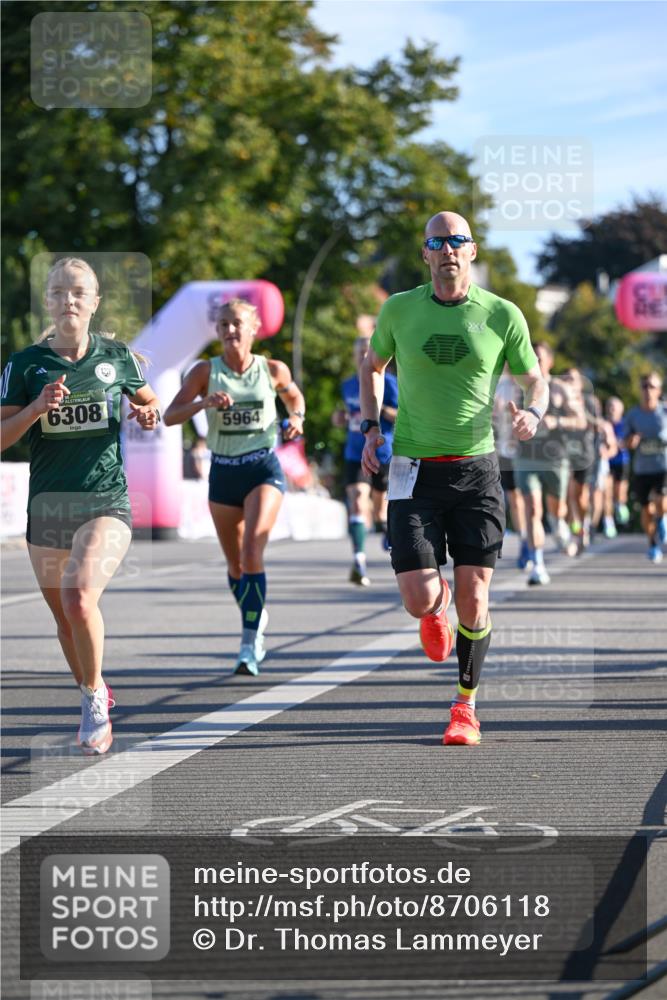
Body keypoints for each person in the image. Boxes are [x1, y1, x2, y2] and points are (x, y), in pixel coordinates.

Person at [360, 211, 548, 747]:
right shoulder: (399, 309)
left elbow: (535, 379)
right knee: (419, 598)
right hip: (412, 468)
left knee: (477, 594)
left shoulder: (502, 314)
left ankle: (465, 706)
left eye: (457, 241)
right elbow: (371, 365)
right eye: (437, 242)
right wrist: (372, 428)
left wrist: (533, 413)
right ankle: (434, 606)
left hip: (477, 468)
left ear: (472, 251)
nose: (447, 250)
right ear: (425, 254)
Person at [0, 257, 160, 755]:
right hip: (48, 506)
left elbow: (150, 404)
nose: (67, 299)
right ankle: (95, 687)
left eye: (77, 292)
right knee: (65, 620)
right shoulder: (24, 365)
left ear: (94, 302)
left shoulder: (118, 358)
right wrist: (35, 408)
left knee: (78, 597)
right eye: (58, 292)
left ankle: (93, 704)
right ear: (47, 302)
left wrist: (149, 413)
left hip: (104, 500)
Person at [163, 298, 305, 674]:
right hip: (223, 472)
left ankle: (248, 640)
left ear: (254, 328)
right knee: (236, 564)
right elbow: (170, 416)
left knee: (252, 547)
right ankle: (256, 614)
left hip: (262, 468)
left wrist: (297, 419)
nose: (229, 331)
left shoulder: (272, 369)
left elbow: (294, 397)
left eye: (236, 324)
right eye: (223, 324)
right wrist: (203, 403)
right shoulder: (204, 372)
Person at [513, 344, 582, 584]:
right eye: (531, 357)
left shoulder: (560, 388)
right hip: (526, 456)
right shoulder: (518, 387)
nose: (535, 362)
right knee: (532, 509)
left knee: (556, 510)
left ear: (550, 362)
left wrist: (556, 421)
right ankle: (538, 563)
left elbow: (580, 420)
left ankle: (559, 524)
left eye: (539, 358)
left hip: (554, 457)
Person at [332, 333, 398, 585]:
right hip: (355, 453)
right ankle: (358, 560)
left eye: (366, 350)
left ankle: (384, 524)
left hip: (384, 452)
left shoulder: (390, 382)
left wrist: (378, 409)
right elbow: (346, 415)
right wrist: (338, 418)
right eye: (358, 351)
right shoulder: (348, 384)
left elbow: (402, 416)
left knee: (380, 510)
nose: (362, 355)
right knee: (358, 500)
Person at [624, 371, 667, 564]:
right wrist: (631, 441)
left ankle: (663, 519)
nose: (648, 390)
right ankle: (652, 544)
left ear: (659, 390)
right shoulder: (633, 414)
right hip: (642, 469)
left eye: (652, 386)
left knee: (661, 501)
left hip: (663, 466)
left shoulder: (664, 412)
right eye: (644, 386)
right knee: (646, 510)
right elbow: (624, 442)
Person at [493, 364, 529, 569]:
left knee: (518, 499)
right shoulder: (497, 383)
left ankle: (526, 540)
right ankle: (498, 540)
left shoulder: (527, 383)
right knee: (501, 497)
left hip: (524, 451)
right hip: (500, 449)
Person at [606, 396, 631, 527]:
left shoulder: (625, 424)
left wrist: (617, 443)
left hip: (622, 461)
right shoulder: (604, 424)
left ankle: (620, 506)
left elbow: (627, 442)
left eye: (614, 408)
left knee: (620, 491)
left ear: (620, 410)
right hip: (608, 462)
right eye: (609, 407)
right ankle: (609, 521)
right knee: (607, 491)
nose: (611, 410)